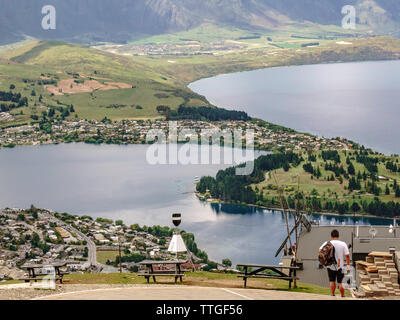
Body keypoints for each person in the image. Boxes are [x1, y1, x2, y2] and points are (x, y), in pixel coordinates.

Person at [319, 229, 350, 297]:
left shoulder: (327, 243)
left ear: (331, 236)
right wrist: (348, 266)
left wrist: (326, 256)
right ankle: (342, 296)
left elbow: (320, 251)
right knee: (340, 282)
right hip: (340, 266)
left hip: (330, 265)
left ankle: (332, 294)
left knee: (332, 281)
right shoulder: (343, 244)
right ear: (338, 236)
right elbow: (347, 256)